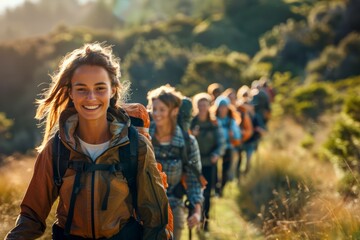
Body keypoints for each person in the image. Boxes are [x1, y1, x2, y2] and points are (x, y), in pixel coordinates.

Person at [5, 43, 170, 240]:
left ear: (113, 90)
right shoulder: (56, 149)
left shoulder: (135, 147)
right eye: (81, 89)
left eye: (100, 88)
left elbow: (155, 221)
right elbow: (31, 217)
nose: (91, 97)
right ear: (70, 93)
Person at [147, 85, 203, 240]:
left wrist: (197, 211)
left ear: (174, 111)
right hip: (144, 210)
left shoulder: (188, 143)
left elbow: (193, 180)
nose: (156, 114)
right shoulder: (143, 138)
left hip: (174, 206)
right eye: (154, 109)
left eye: (162, 109)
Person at [190, 92, 225, 232]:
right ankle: (194, 219)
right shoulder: (192, 123)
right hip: (194, 165)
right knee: (193, 193)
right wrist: (192, 135)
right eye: (200, 104)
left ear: (209, 106)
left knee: (207, 195)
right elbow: (185, 141)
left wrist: (216, 154)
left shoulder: (214, 123)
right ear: (196, 106)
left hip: (209, 164)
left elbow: (221, 143)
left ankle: (205, 222)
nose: (202, 107)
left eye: (205, 104)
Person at [210, 96, 241, 197]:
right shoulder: (213, 120)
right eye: (220, 107)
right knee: (213, 170)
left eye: (224, 107)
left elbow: (238, 136)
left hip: (228, 148)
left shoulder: (231, 121)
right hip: (215, 148)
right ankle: (214, 188)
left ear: (228, 108)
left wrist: (233, 135)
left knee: (225, 170)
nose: (222, 109)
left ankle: (221, 189)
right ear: (217, 108)